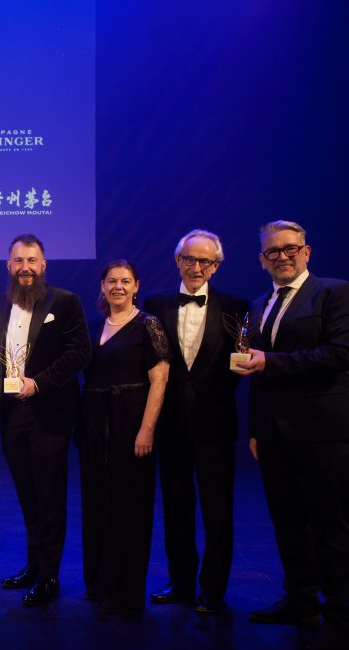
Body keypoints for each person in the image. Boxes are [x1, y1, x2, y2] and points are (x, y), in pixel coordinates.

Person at [235, 220, 349, 650]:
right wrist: (256, 429)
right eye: (273, 251)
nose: (282, 256)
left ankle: (338, 619)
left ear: (306, 252)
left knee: (330, 528)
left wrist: (270, 362)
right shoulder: (258, 305)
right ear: (261, 260)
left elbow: (341, 355)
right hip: (274, 435)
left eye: (290, 248)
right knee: (288, 524)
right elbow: (255, 371)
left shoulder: (335, 292)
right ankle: (301, 602)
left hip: (324, 433)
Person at [144, 230, 247, 614]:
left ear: (216, 266)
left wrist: (210, 399)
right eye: (189, 259)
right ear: (178, 261)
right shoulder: (155, 303)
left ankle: (214, 590)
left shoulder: (237, 306)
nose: (196, 267)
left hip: (216, 426)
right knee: (176, 508)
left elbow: (239, 364)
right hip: (171, 426)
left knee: (218, 512)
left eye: (205, 261)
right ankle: (182, 583)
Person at [0, 234, 91, 606]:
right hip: (12, 416)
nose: (26, 268)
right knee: (27, 496)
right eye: (19, 261)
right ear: (9, 266)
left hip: (49, 414)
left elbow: (80, 353)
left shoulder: (65, 302)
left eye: (32, 260)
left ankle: (49, 576)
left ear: (44, 265)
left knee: (49, 498)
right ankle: (34, 566)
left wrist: (40, 383)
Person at [78, 259, 169, 614]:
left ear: (136, 286)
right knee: (97, 504)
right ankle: (99, 583)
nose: (118, 286)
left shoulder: (148, 325)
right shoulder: (93, 327)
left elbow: (160, 379)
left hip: (131, 424)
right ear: (102, 286)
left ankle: (125, 592)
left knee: (129, 508)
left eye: (125, 281)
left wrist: (147, 429)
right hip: (95, 426)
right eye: (112, 281)